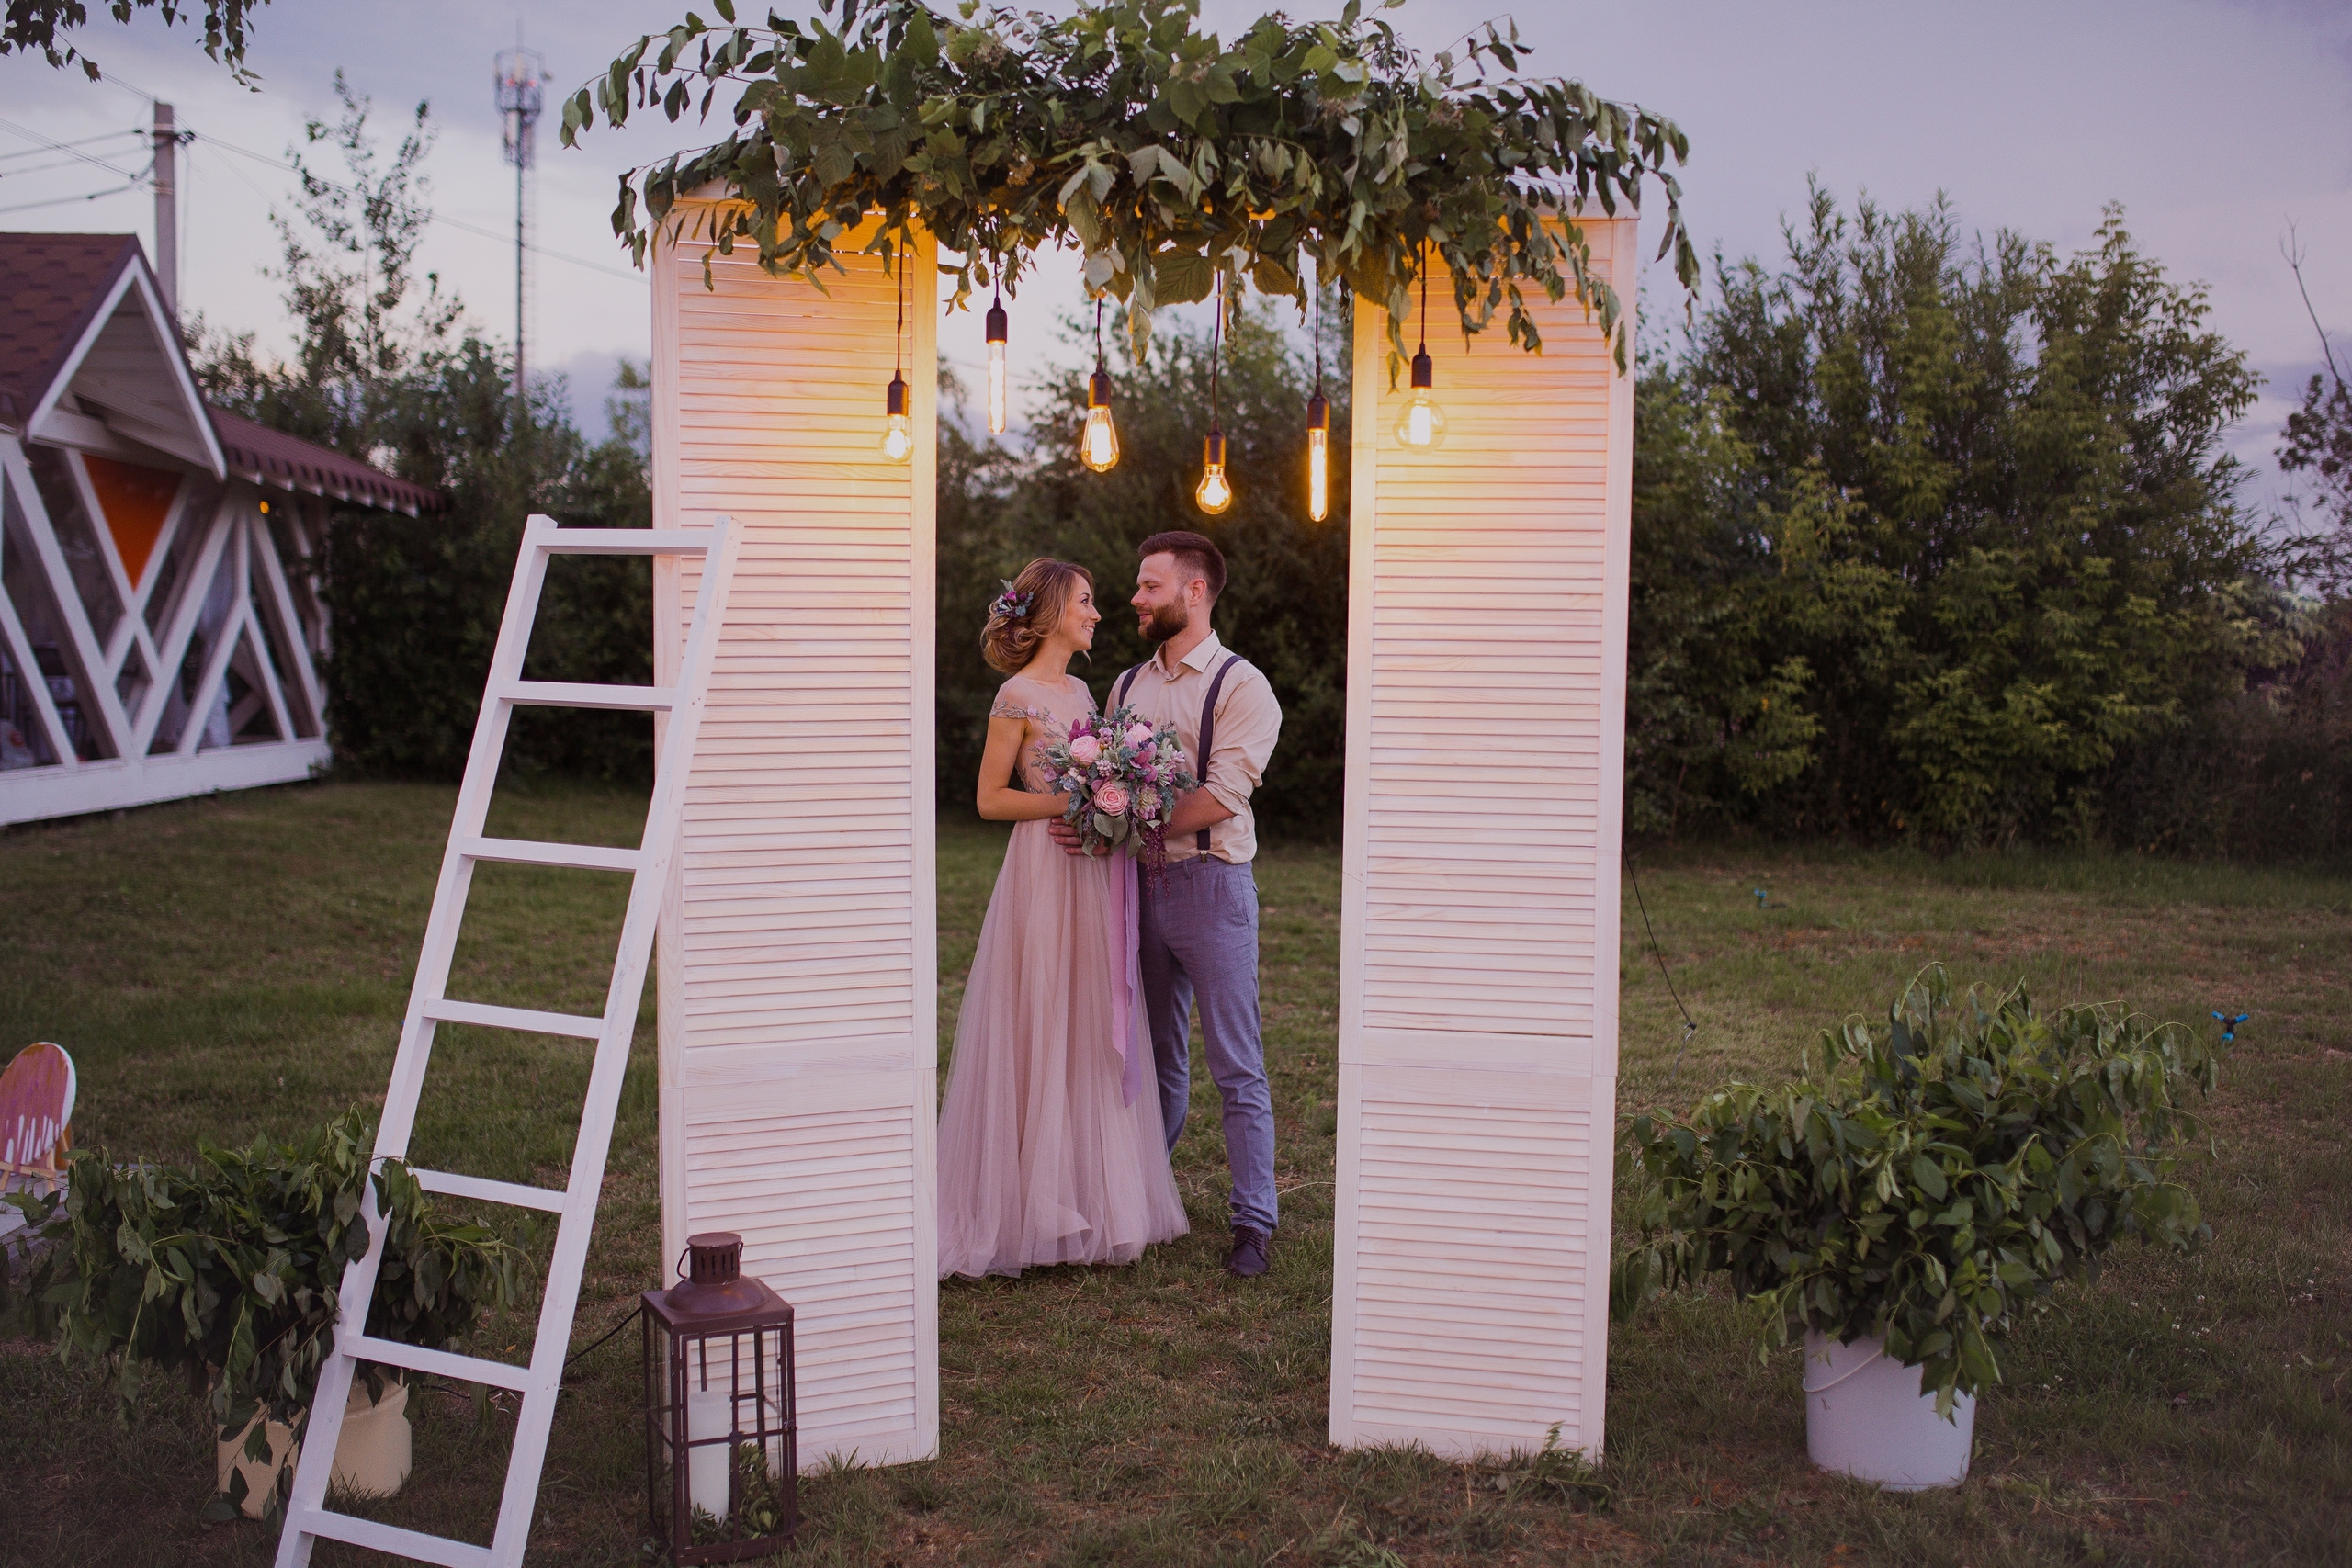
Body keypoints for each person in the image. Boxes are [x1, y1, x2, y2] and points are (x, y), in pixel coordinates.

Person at [935, 558, 1191, 1280]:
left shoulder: (1083, 688)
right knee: (1041, 1014)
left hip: (1092, 873)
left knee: (1087, 1016)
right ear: (1049, 614)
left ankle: (1083, 1196)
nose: (1097, 613)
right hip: (1043, 871)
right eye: (1085, 601)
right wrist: (1072, 801)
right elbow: (988, 799)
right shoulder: (1015, 695)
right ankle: (1026, 1204)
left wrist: (1111, 798)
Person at [1050, 531, 1283, 1278]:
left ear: (1193, 592)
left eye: (1149, 586)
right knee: (1148, 1059)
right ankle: (1139, 1198)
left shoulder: (1243, 687)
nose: (1134, 598)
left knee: (1236, 1063)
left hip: (1212, 886)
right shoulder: (1123, 686)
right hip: (1133, 889)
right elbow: (1101, 778)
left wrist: (1121, 814)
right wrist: (1094, 811)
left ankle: (1254, 1221)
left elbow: (1220, 794)